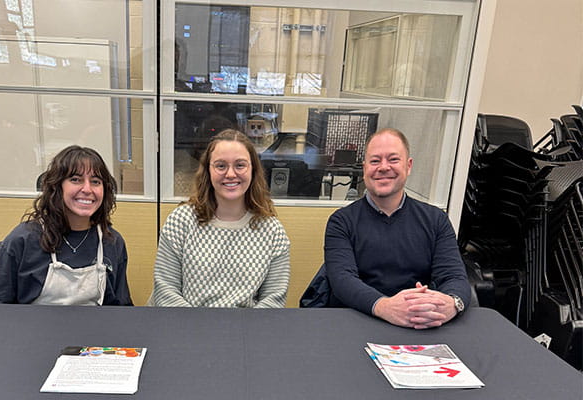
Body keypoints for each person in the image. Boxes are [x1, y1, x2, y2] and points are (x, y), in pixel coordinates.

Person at [324, 128, 470, 328]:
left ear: (408, 166)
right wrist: (386, 307)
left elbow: (454, 277)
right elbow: (342, 281)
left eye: (393, 159)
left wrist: (451, 304)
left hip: (421, 324)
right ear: (364, 167)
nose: (384, 167)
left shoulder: (436, 220)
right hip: (358, 321)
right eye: (375, 161)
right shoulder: (341, 222)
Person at [152, 129, 290, 308]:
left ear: (253, 170)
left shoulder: (272, 231)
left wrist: (241, 332)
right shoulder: (181, 221)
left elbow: (274, 300)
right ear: (208, 170)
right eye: (221, 165)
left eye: (240, 165)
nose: (231, 174)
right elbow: (165, 291)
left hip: (246, 330)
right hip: (188, 327)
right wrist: (199, 330)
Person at [0, 145, 131, 306]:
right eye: (76, 179)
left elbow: (120, 310)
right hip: (31, 329)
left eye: (95, 181)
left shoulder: (112, 242)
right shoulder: (23, 240)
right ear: (57, 186)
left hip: (92, 330)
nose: (87, 189)